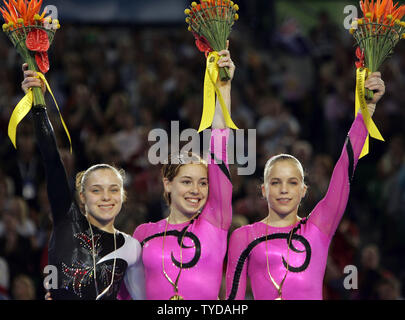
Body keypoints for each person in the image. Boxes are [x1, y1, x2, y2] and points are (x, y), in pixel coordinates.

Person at [225, 72, 386, 300]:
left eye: (292, 182)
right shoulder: (244, 236)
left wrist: (365, 112)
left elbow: (345, 167)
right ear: (263, 190)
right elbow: (233, 302)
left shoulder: (318, 227)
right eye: (275, 182)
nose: (283, 189)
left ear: (303, 191)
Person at [20, 64, 145, 300]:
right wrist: (38, 105)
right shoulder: (66, 220)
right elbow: (52, 161)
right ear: (82, 197)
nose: (106, 196)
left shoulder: (131, 247)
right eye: (96, 190)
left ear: (122, 196)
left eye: (113, 189)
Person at [119, 49, 234, 300]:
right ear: (167, 184)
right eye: (186, 181)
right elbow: (124, 293)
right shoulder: (143, 233)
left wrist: (223, 87)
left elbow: (219, 148)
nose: (196, 189)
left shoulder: (217, 221)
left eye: (203, 183)